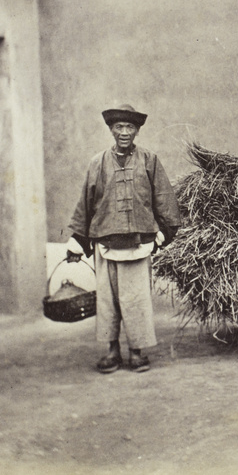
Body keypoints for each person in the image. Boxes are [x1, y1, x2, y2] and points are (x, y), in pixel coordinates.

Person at [66, 104, 181, 373]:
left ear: (137, 130)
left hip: (139, 244)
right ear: (111, 129)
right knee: (108, 302)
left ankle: (137, 351)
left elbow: (164, 199)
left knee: (136, 300)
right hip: (105, 244)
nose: (124, 132)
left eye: (130, 127)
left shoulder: (149, 160)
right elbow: (85, 203)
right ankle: (111, 351)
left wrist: (164, 232)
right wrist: (77, 242)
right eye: (119, 127)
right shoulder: (97, 162)